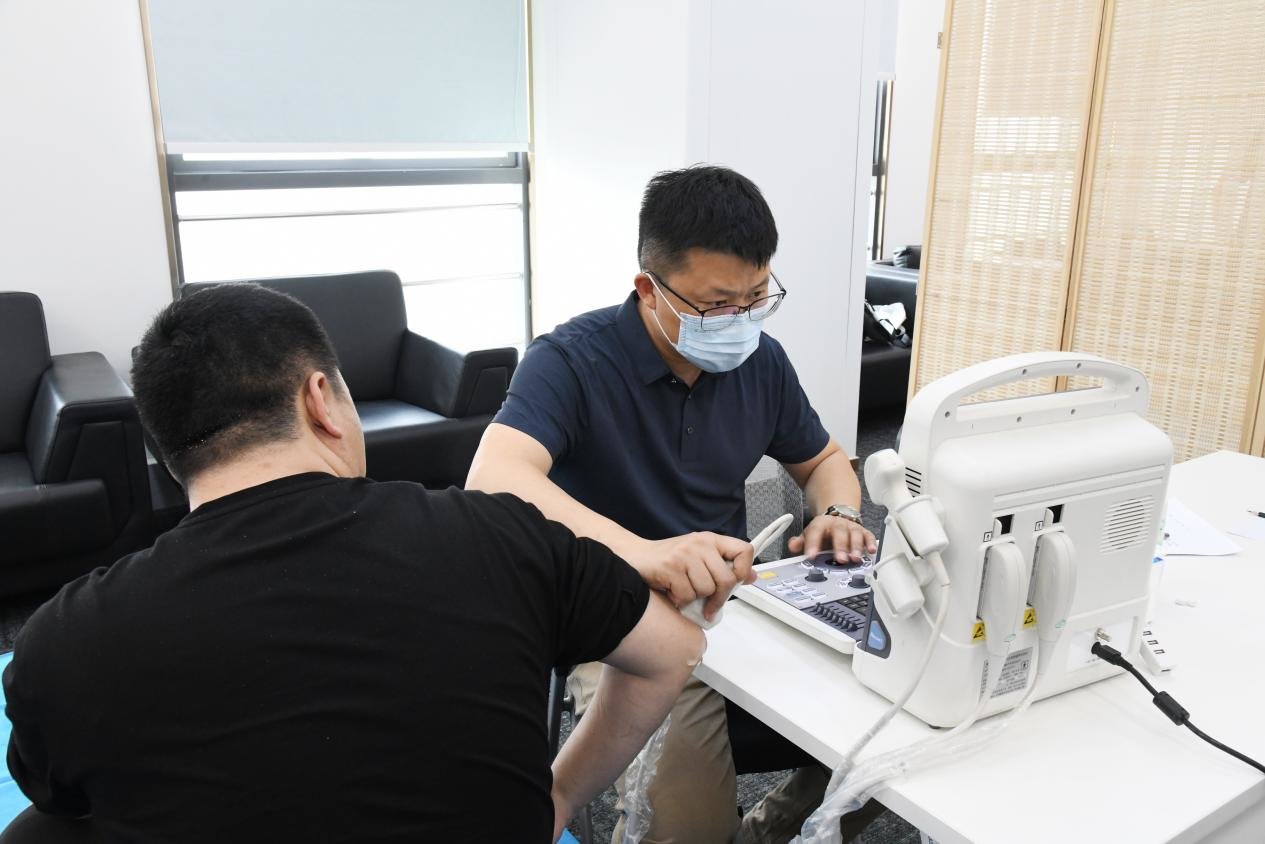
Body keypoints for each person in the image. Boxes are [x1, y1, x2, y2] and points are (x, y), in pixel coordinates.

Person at [1, 284, 703, 844]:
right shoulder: (502, 533)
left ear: (164, 452)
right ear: (321, 400)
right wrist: (562, 795)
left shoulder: (63, 641)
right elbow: (672, 649)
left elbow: (61, 799)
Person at [466, 165, 881, 843]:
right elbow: (493, 477)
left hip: (736, 604)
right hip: (617, 619)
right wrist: (646, 554)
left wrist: (838, 513)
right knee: (683, 829)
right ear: (648, 289)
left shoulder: (762, 363)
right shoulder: (570, 361)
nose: (739, 321)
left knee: (897, 742)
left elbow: (825, 461)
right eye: (717, 305)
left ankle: (765, 831)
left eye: (756, 297)